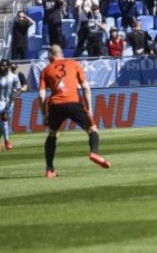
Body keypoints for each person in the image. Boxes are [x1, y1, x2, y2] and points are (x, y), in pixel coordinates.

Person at [38, 44, 111, 178]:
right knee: (92, 129)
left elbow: (41, 95)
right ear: (61, 54)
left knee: (52, 134)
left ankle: (49, 169)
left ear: (50, 56)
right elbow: (86, 87)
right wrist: (89, 108)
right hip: (73, 102)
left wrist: (44, 114)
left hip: (56, 105)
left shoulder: (46, 70)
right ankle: (94, 152)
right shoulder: (74, 64)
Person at [0, 59, 23, 150]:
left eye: (4, 65)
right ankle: (7, 141)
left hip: (9, 102)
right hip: (0, 101)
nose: (1, 67)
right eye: (1, 65)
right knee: (4, 119)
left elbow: (19, 89)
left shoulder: (14, 77)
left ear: (8, 67)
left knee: (3, 124)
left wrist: (15, 96)